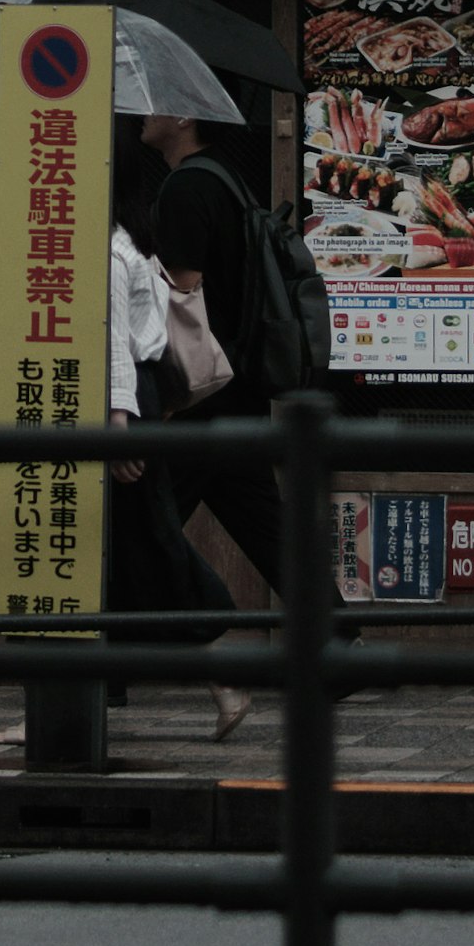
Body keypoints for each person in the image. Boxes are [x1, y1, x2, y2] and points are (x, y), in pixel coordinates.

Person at [139, 111, 355, 660]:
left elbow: (180, 294)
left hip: (200, 392)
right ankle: (339, 644)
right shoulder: (225, 179)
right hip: (233, 384)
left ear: (184, 117)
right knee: (262, 524)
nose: (143, 114)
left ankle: (110, 666)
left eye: (156, 103)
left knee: (139, 526)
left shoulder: (188, 186)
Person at [105, 212, 247, 741]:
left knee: (150, 538)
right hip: (124, 403)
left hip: (117, 408)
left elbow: (116, 341)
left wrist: (117, 427)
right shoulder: (131, 241)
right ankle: (77, 694)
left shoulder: (110, 248)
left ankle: (222, 671)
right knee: (121, 543)